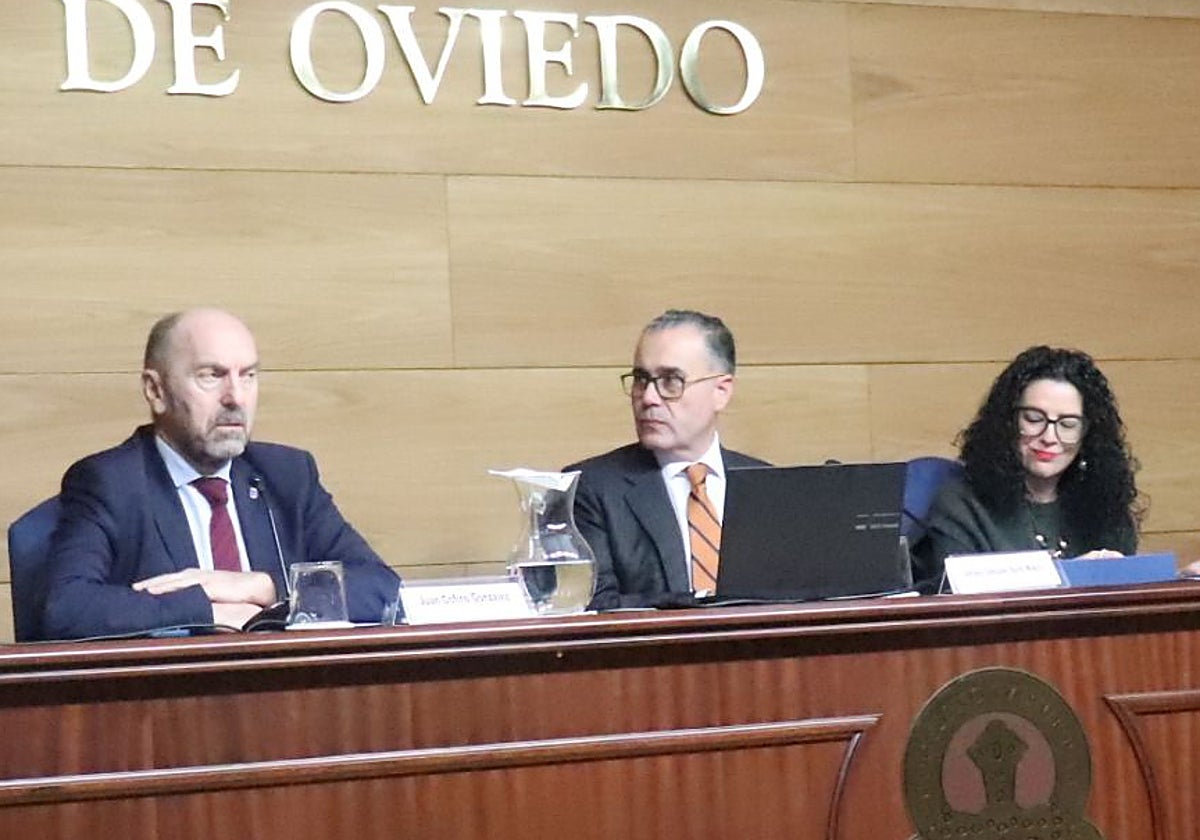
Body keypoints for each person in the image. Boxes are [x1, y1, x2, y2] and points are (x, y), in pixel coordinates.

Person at [41, 308, 400, 639]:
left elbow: (383, 589)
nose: (236, 397)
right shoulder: (112, 483)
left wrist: (262, 587)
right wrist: (207, 609)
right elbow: (67, 609)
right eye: (212, 376)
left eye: (248, 376)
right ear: (156, 390)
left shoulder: (287, 476)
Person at [565, 310, 767, 609]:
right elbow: (593, 605)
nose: (648, 398)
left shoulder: (768, 485)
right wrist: (700, 604)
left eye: (671, 381)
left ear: (721, 392)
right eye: (641, 379)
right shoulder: (591, 488)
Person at [913, 345, 1142, 593]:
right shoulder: (961, 505)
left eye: (1067, 424)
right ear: (1008, 422)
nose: (1049, 437)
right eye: (1034, 419)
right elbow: (960, 598)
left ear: (1088, 434)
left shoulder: (1105, 506)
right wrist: (1071, 576)